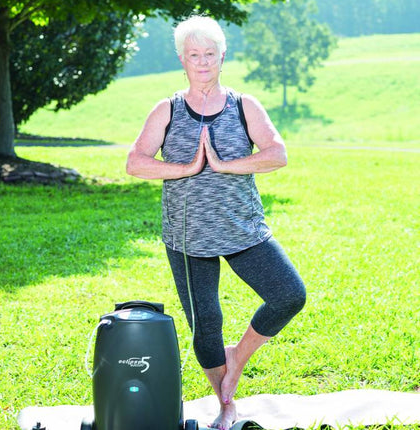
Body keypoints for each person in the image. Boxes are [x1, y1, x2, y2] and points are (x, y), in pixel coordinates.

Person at [126, 15, 306, 430]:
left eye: (210, 53)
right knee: (205, 326)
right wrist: (186, 169)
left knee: (289, 295)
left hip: (243, 229)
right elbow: (135, 162)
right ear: (182, 59)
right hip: (187, 236)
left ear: (223, 56)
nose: (203, 62)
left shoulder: (244, 106)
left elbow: (277, 154)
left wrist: (225, 165)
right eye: (194, 54)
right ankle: (226, 404)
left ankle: (236, 359)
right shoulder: (167, 109)